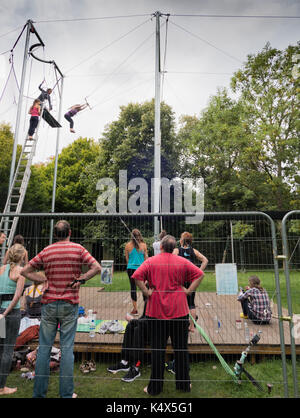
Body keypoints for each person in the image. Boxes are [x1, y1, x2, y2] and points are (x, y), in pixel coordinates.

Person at [21, 220, 101, 398]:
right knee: (66, 349)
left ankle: (39, 394)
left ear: (56, 234)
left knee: (44, 349)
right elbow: (96, 267)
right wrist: (81, 279)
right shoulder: (78, 249)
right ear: (70, 232)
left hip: (49, 304)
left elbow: (25, 271)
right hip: (69, 303)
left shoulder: (47, 250)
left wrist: (42, 280)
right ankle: (66, 394)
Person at [133, 235, 204, 396]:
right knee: (181, 349)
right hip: (179, 311)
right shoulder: (182, 261)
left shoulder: (151, 261)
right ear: (174, 248)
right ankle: (184, 385)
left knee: (157, 350)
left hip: (156, 312)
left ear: (162, 247)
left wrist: (146, 291)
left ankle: (155, 388)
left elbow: (136, 276)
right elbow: (200, 274)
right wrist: (189, 290)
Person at [0, 244, 26, 395]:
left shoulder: (1, 269)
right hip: (11, 314)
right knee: (7, 350)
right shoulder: (20, 272)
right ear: (22, 256)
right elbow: (16, 297)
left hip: (0, 312)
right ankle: (2, 387)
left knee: (0, 347)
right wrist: (6, 313)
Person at [173, 231, 208, 332]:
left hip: (180, 280)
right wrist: (199, 271)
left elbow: (171, 261)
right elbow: (205, 260)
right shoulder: (194, 251)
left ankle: (178, 325)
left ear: (181, 240)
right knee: (191, 303)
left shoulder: (176, 250)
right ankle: (192, 327)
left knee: (178, 301)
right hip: (192, 280)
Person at [107, 305, 149, 383]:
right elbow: (144, 318)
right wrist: (134, 321)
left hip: (157, 333)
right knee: (130, 325)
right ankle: (125, 362)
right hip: (147, 327)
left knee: (138, 329)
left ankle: (136, 367)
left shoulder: (157, 300)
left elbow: (150, 323)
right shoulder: (149, 299)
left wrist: (133, 320)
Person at [125, 229, 148, 316]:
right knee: (144, 287)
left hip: (131, 268)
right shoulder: (144, 245)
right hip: (141, 268)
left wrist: (130, 266)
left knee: (133, 288)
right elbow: (146, 259)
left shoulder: (127, 246)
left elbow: (127, 259)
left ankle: (135, 309)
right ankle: (146, 309)